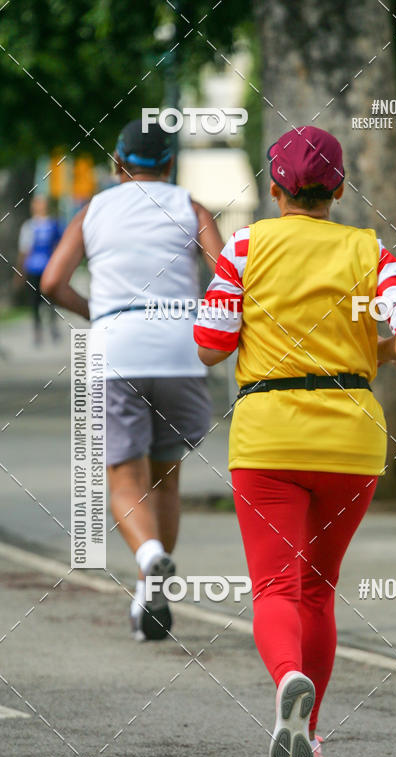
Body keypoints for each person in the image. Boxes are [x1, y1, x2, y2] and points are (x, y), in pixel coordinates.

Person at [193, 125, 396, 757]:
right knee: (318, 591)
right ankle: (313, 736)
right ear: (339, 188)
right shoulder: (367, 250)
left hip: (268, 435)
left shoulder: (246, 246)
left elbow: (211, 344)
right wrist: (369, 351)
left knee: (275, 586)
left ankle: (286, 679)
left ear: (274, 189)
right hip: (351, 441)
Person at [42, 119, 224, 641]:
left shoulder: (94, 209)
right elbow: (230, 277)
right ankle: (153, 592)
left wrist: (96, 313)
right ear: (170, 164)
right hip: (182, 352)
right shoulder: (191, 207)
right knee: (166, 477)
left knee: (124, 480)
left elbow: (53, 280)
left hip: (117, 347)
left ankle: (149, 556)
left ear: (119, 164)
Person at [16, 195, 62, 344]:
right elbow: (24, 250)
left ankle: (53, 327)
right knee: (35, 301)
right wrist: (20, 272)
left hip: (49, 268)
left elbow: (58, 246)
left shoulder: (54, 224)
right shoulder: (29, 226)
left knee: (51, 299)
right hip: (33, 268)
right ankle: (37, 331)